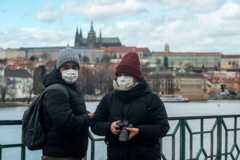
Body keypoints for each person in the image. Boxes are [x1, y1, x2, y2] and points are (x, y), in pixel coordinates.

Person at [91, 52, 170, 160]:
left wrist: (139, 131)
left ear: (136, 77)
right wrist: (110, 127)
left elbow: (163, 127)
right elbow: (95, 125)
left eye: (127, 75)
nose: (122, 78)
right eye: (120, 74)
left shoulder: (152, 99)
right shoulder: (109, 99)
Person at [41, 48, 94, 160]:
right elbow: (65, 123)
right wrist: (88, 118)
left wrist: (86, 114)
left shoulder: (71, 88)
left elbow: (73, 111)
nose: (71, 70)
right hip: (60, 155)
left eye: (74, 67)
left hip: (73, 153)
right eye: (66, 67)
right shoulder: (56, 90)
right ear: (59, 68)